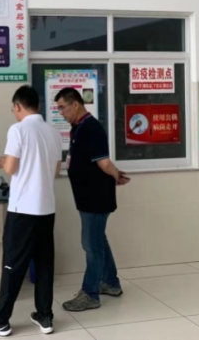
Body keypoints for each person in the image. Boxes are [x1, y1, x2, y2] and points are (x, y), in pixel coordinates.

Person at [0, 85, 62, 337]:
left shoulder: (18, 129)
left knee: (12, 263)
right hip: (47, 209)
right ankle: (45, 316)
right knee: (44, 264)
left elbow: (11, 168)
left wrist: (3, 162)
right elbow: (56, 170)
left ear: (18, 106)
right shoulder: (53, 132)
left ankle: (0, 320)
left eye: (13, 109)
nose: (14, 113)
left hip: (23, 210)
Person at [54, 87, 130, 313]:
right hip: (87, 196)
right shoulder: (79, 127)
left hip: (95, 197)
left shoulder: (91, 128)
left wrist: (116, 175)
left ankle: (90, 294)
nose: (61, 113)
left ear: (76, 104)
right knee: (98, 240)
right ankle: (111, 283)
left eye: (62, 108)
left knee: (91, 244)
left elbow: (104, 162)